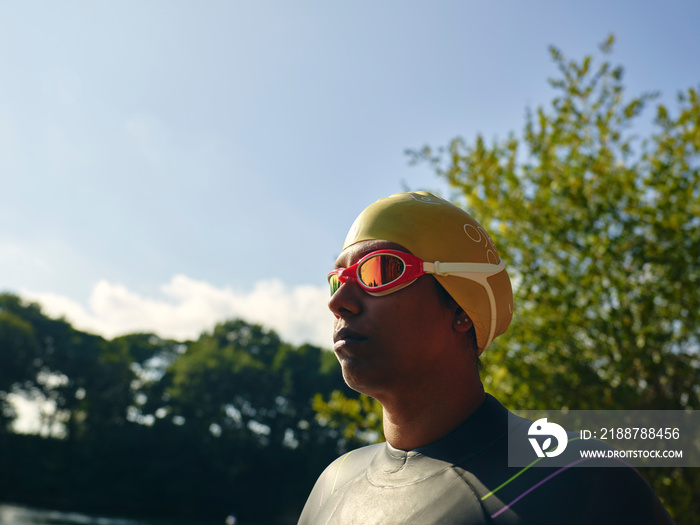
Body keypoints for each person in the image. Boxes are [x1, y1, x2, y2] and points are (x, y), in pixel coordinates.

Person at [298, 191, 674, 524]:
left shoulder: (575, 478)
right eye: (338, 279)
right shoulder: (333, 483)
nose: (338, 302)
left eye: (379, 271)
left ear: (462, 309)